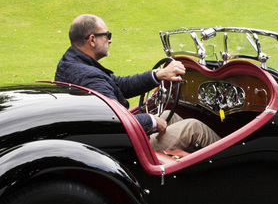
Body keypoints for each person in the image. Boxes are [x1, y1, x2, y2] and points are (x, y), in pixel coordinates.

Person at [54, 14, 219, 154]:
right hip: (128, 148)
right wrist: (150, 120)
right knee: (194, 128)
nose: (110, 40)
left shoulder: (70, 64)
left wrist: (158, 75)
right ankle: (235, 167)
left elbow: (118, 85)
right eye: (107, 35)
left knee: (170, 114)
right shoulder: (90, 77)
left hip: (97, 139)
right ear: (92, 40)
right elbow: (115, 123)